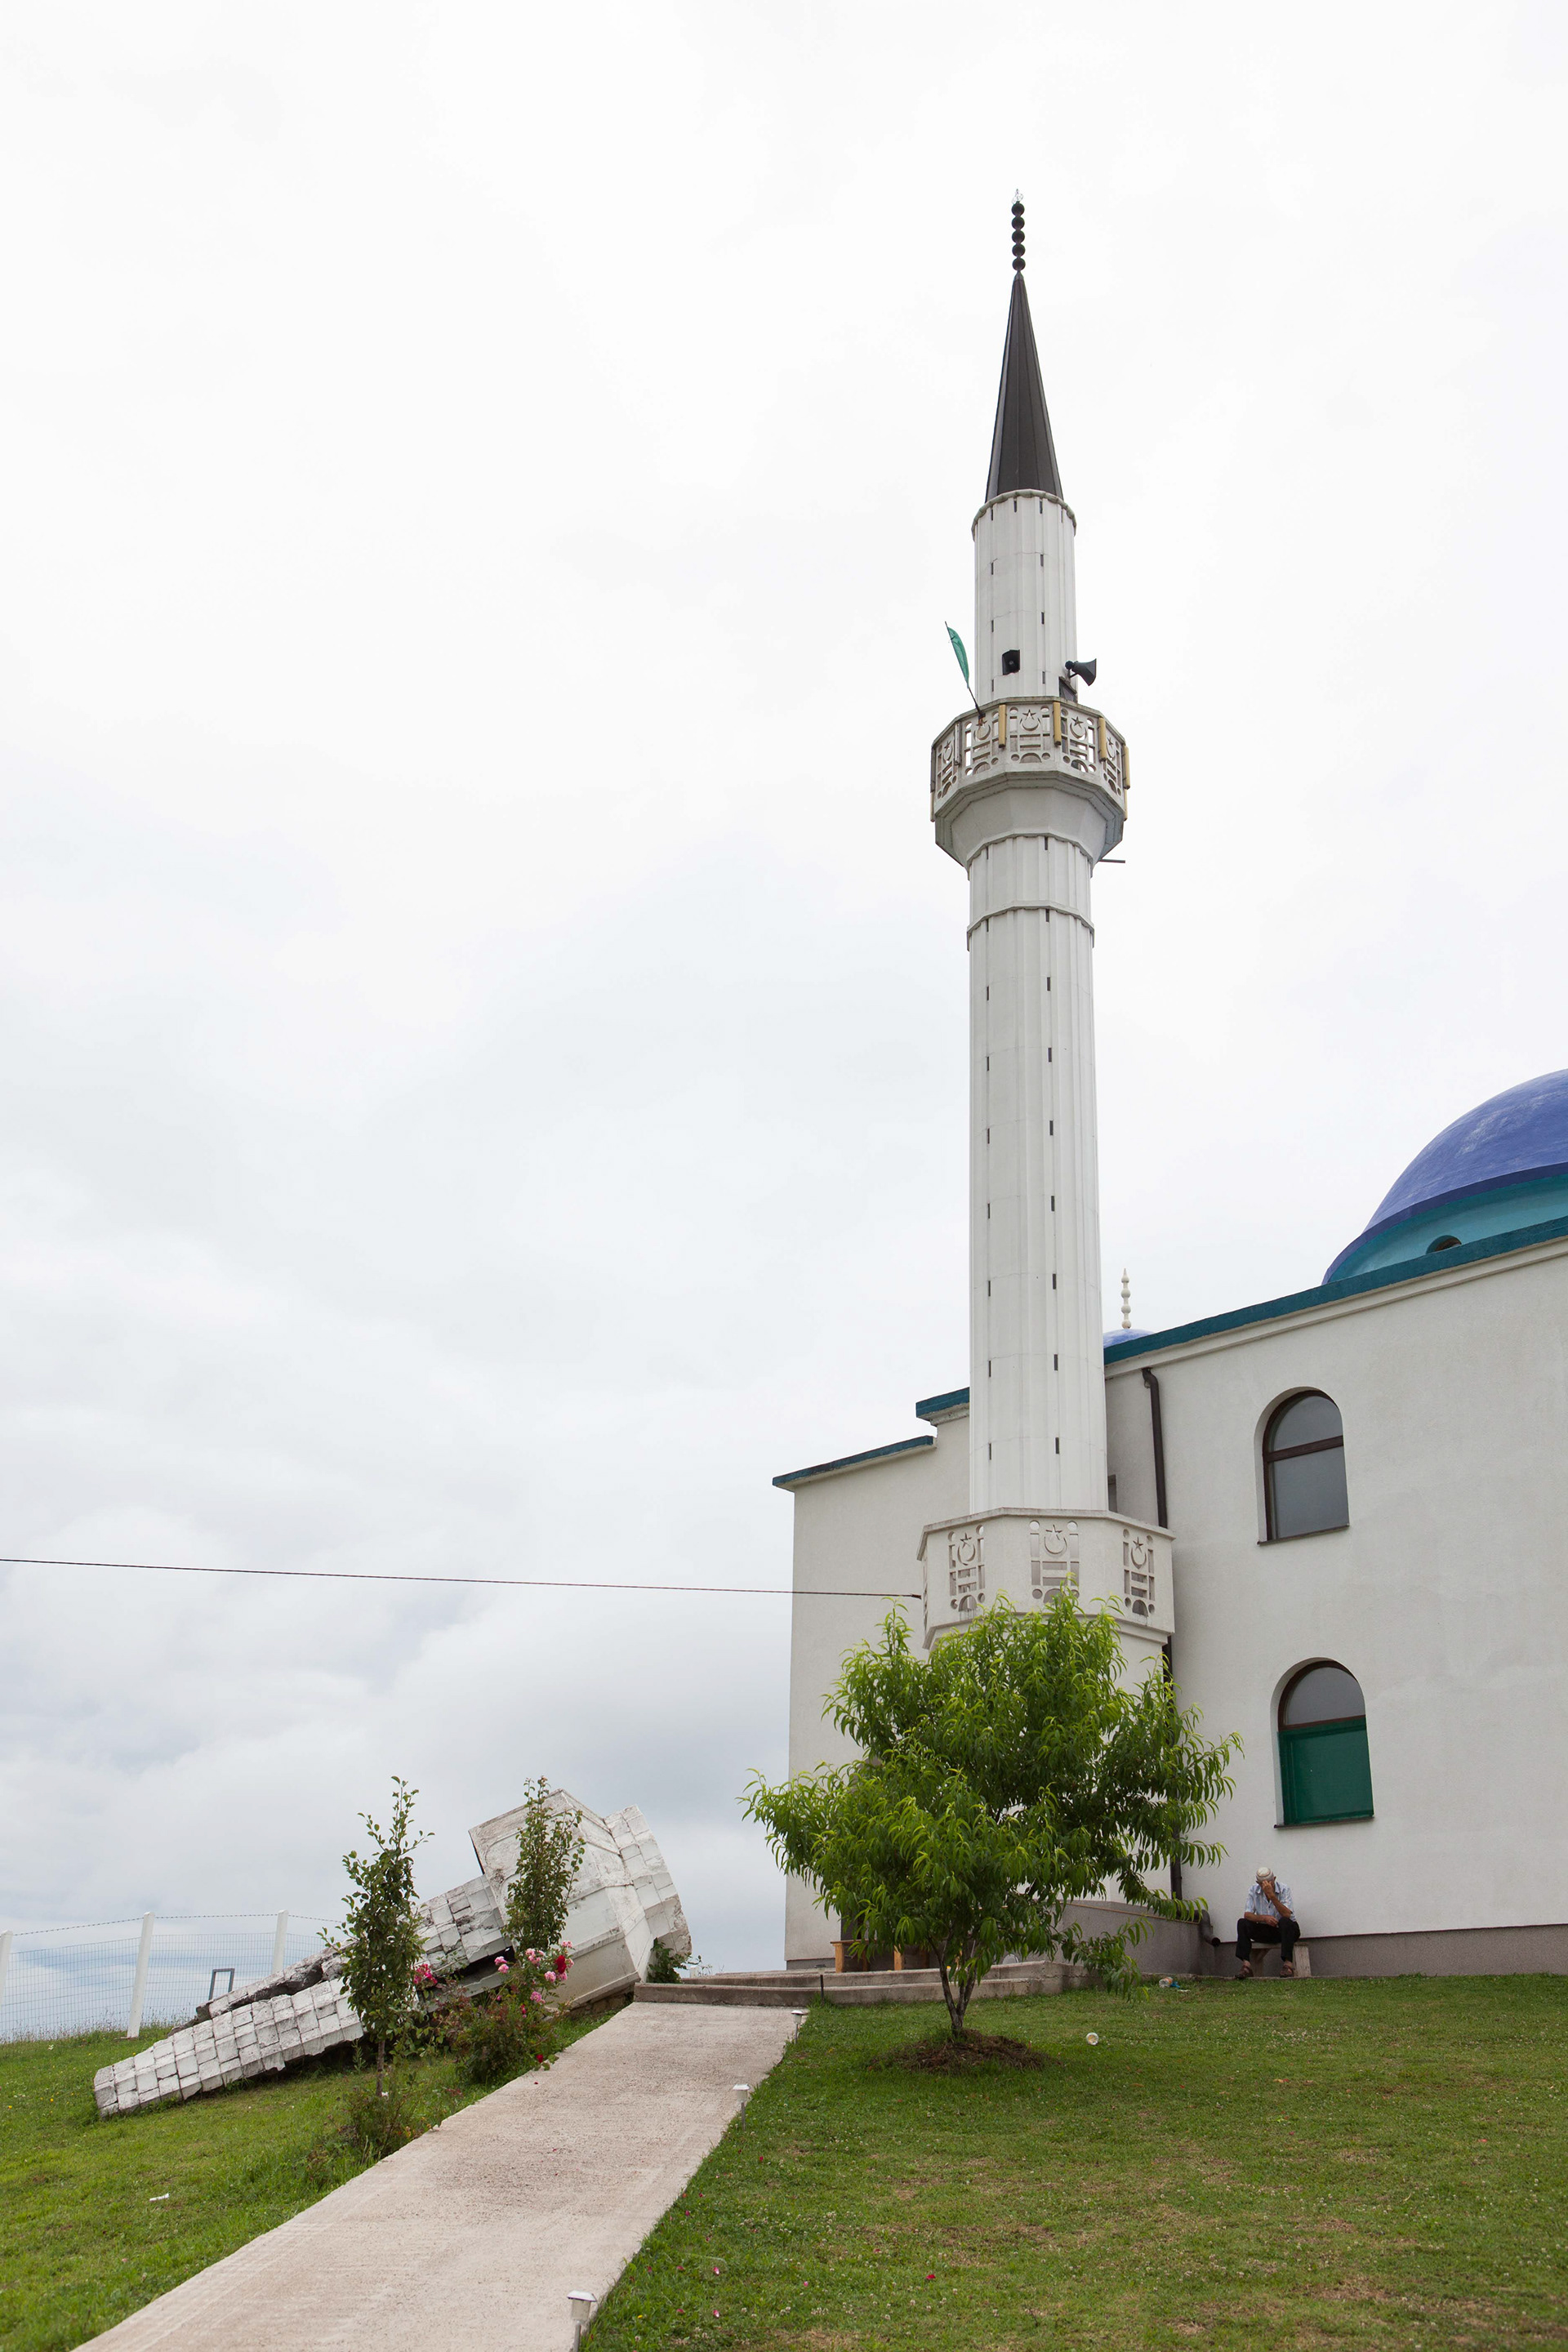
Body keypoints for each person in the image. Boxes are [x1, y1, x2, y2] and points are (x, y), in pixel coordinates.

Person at [1236, 1867, 1298, 1977]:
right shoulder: (1253, 1890)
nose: (1266, 1885)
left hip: (1285, 1930)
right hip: (1266, 1929)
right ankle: (1246, 1965)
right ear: (1258, 1883)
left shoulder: (1284, 1889)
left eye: (1270, 1882)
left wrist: (1272, 1896)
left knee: (1285, 1921)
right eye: (1262, 1884)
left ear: (1274, 1879)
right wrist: (1264, 1918)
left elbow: (1287, 1914)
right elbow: (1248, 1914)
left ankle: (1288, 1965)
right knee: (1242, 1923)